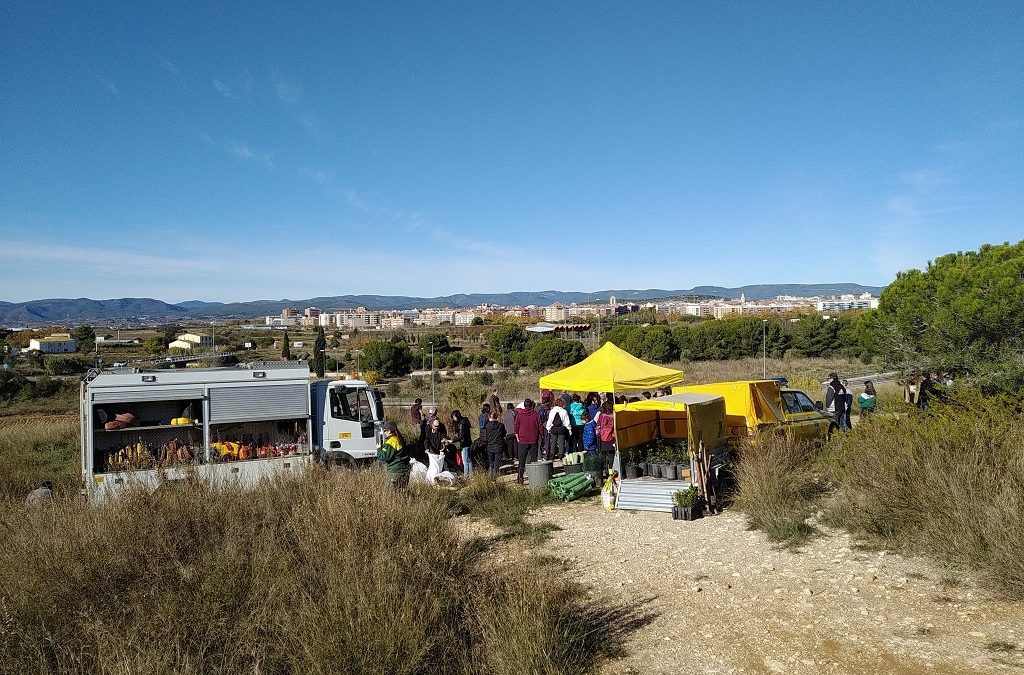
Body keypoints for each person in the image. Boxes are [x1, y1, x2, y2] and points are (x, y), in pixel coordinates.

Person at [513, 398, 543, 484]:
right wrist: (542, 436)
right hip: (533, 440)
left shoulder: (520, 415)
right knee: (533, 460)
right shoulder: (536, 415)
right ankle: (534, 478)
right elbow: (540, 426)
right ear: (531, 406)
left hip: (523, 440)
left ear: (524, 406)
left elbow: (516, 428)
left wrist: (517, 437)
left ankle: (520, 478)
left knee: (522, 460)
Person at [376, 422, 410, 488]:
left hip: (396, 471)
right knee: (402, 492)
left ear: (389, 431)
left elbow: (383, 457)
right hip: (404, 470)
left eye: (385, 430)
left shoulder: (391, 442)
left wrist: (379, 449)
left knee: (389, 494)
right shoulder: (398, 438)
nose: (384, 432)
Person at [483, 410, 507, 479]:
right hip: (499, 445)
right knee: (497, 461)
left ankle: (490, 472)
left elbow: (487, 436)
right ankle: (495, 475)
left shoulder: (487, 426)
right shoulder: (501, 425)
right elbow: (504, 433)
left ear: (489, 417)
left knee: (491, 461)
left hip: (490, 445)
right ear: (496, 417)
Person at [451, 410, 474, 477]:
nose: (454, 419)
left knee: (465, 461)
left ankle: (466, 476)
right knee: (469, 460)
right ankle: (471, 475)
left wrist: (453, 440)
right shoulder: (465, 420)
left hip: (464, 443)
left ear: (457, 416)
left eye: (454, 417)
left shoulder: (461, 423)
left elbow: (461, 436)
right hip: (468, 442)